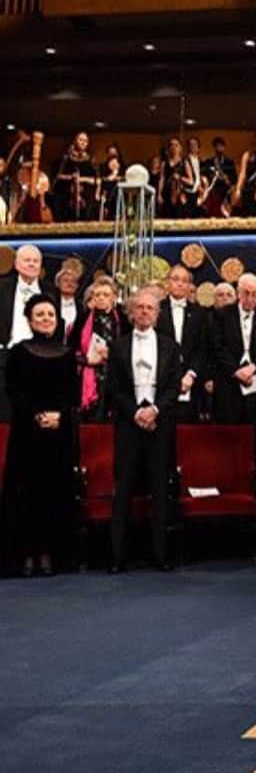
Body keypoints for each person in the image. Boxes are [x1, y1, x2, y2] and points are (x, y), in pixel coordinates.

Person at [1, 295, 77, 577]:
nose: (46, 318)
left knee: (52, 493)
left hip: (58, 436)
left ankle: (49, 554)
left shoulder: (68, 354)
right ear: (30, 319)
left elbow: (73, 395)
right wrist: (37, 415)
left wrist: (60, 416)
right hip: (27, 435)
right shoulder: (18, 352)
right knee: (26, 494)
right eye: (40, 314)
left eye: (50, 314)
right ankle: (25, 555)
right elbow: (14, 391)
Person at [108, 288, 183, 572]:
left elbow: (173, 386)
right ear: (130, 312)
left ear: (157, 314)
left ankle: (160, 555)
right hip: (128, 424)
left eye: (149, 308)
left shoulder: (170, 346)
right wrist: (136, 412)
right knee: (123, 489)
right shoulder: (118, 346)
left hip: (159, 423)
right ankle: (117, 557)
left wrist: (155, 410)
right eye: (139, 307)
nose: (144, 312)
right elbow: (114, 389)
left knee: (159, 489)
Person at [211, 274, 256, 462]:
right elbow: (217, 346)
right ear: (238, 293)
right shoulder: (222, 315)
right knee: (228, 432)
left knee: (254, 431)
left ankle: (254, 476)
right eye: (246, 293)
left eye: (254, 294)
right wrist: (235, 370)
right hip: (229, 382)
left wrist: (253, 367)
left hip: (255, 381)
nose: (250, 298)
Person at [0, 245, 61, 421]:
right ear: (17, 264)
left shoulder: (50, 290)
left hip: (42, 358)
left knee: (37, 411)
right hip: (7, 358)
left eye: (36, 261)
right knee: (6, 414)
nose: (32, 264)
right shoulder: (2, 287)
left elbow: (57, 325)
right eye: (27, 260)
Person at [157, 265, 208, 423]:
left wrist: (191, 374)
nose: (180, 284)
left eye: (184, 281)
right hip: (162, 380)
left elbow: (203, 347)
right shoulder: (157, 310)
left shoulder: (200, 313)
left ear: (189, 286)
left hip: (191, 381)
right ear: (168, 283)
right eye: (176, 279)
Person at [69, 275, 124, 423]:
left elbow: (129, 348)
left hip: (116, 375)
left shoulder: (123, 319)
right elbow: (70, 349)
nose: (101, 298)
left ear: (114, 298)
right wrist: (86, 360)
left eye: (105, 295)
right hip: (89, 374)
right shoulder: (83, 318)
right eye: (97, 294)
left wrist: (111, 355)